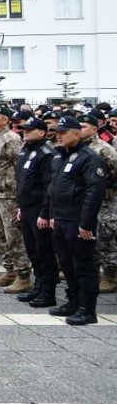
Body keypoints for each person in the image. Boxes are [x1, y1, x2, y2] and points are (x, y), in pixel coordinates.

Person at [47, 116, 108, 326]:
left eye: (64, 133)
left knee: (83, 265)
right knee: (66, 264)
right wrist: (52, 215)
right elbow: (54, 189)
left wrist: (86, 224)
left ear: (76, 134)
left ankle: (87, 309)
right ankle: (73, 302)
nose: (59, 136)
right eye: (58, 132)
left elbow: (94, 193)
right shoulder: (61, 156)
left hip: (77, 220)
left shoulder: (89, 158)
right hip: (61, 219)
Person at [15, 117, 58, 308]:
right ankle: (38, 285)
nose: (25, 132)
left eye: (29, 130)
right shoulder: (26, 150)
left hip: (39, 208)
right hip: (26, 207)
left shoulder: (46, 153)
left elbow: (49, 186)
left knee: (44, 251)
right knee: (32, 250)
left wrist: (45, 212)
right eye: (24, 129)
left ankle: (48, 291)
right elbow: (23, 182)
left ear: (41, 132)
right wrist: (20, 206)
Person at [0, 106, 28, 291]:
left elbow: (20, 166)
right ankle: (9, 271)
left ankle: (23, 275)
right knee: (0, 236)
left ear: (6, 119)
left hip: (8, 195)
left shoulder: (11, 139)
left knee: (13, 237)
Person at [78, 114, 117, 294]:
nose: (80, 130)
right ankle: (94, 271)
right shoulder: (78, 148)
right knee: (90, 236)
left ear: (94, 129)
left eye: (84, 126)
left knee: (105, 237)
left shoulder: (103, 149)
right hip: (85, 199)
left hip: (106, 201)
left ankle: (110, 275)